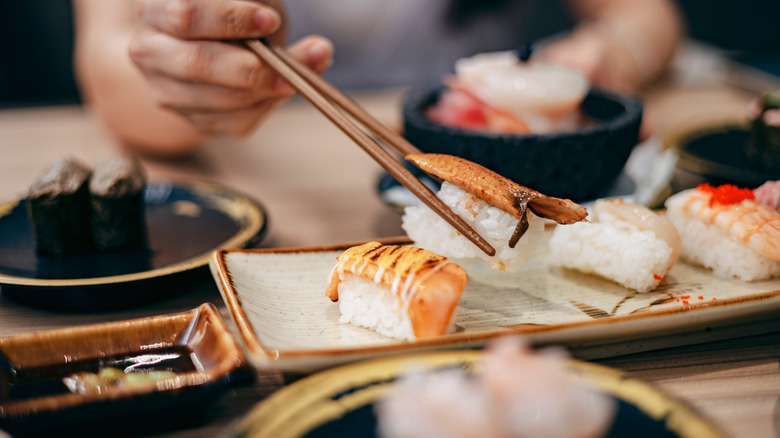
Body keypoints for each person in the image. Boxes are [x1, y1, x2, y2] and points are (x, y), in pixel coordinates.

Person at [72, 0, 683, 159]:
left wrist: (611, 53)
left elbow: (649, 13)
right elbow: (109, 63)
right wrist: (200, 83)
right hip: (285, 195)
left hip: (487, 174)